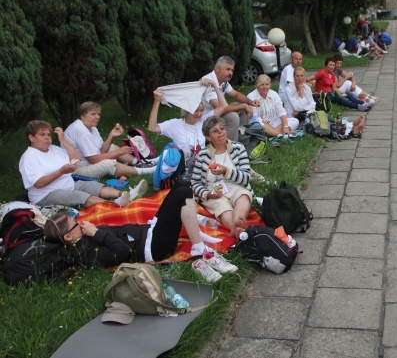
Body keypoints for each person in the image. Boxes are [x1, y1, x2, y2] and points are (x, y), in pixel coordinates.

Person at [43, 185, 237, 281]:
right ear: (68, 237)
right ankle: (199, 249)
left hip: (150, 232)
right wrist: (97, 234)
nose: (81, 223)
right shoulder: (86, 253)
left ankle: (197, 237)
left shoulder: (82, 238)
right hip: (154, 247)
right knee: (182, 194)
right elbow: (123, 251)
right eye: (75, 224)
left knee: (180, 187)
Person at [19, 120, 147, 208]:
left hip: (68, 185)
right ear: (31, 138)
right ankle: (115, 206)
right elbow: (38, 183)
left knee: (94, 186)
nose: (47, 137)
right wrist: (61, 172)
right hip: (46, 195)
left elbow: (76, 158)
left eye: (48, 134)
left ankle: (128, 195)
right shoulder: (29, 156)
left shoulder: (54, 149)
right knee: (81, 196)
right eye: (42, 135)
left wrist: (63, 140)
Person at [191, 117, 253, 236]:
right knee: (222, 207)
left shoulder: (238, 148)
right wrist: (207, 194)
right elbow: (195, 182)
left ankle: (236, 225)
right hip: (213, 191)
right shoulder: (203, 155)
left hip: (236, 186)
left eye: (222, 128)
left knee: (244, 196)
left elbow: (246, 177)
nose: (220, 132)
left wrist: (226, 172)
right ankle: (237, 229)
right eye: (215, 131)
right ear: (208, 137)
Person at [64, 102, 156, 179]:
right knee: (109, 163)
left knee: (112, 148)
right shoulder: (79, 130)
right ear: (82, 116)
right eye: (93, 114)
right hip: (77, 169)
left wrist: (111, 136)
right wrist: (118, 153)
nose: (97, 117)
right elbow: (93, 160)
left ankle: (142, 162)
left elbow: (101, 151)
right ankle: (145, 171)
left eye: (98, 114)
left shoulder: (91, 127)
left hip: (89, 161)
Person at [148, 78, 227, 162]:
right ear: (187, 110)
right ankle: (146, 166)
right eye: (196, 110)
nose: (199, 114)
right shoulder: (175, 124)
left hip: (201, 161)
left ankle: (151, 163)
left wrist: (214, 85)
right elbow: (152, 128)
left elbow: (223, 106)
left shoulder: (204, 121)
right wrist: (157, 102)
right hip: (179, 162)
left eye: (201, 110)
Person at [202, 56, 261, 141]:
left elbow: (235, 94)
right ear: (218, 69)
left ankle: (243, 138)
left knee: (243, 107)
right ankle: (230, 148)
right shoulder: (208, 82)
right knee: (233, 117)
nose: (230, 73)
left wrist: (250, 102)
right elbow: (219, 108)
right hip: (207, 118)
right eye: (228, 69)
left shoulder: (223, 81)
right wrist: (243, 106)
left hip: (218, 112)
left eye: (232, 70)